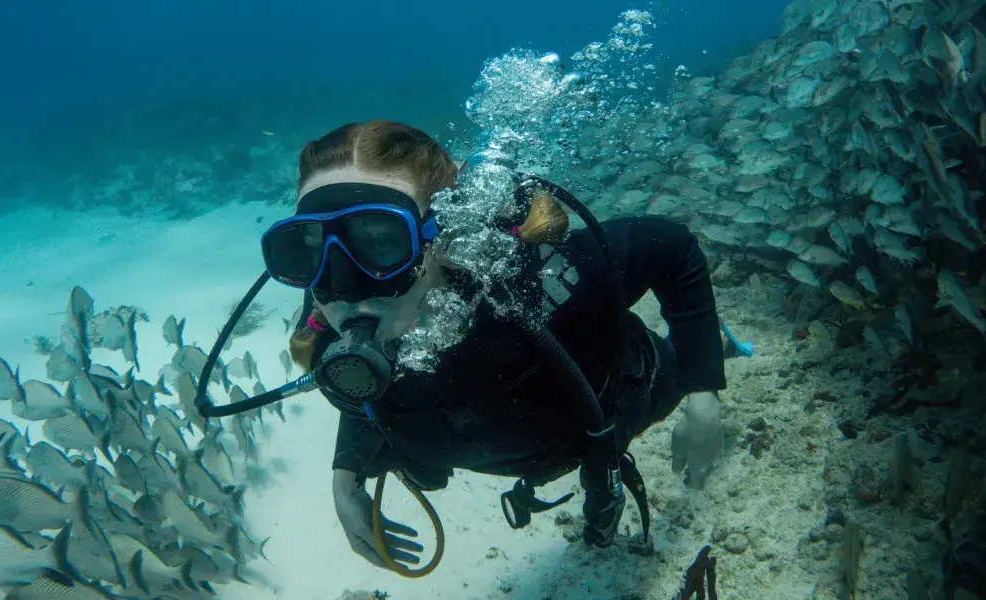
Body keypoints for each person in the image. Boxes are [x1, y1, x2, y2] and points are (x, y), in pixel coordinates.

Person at [269, 120, 727, 569]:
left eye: (381, 241)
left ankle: (725, 346)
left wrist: (702, 390)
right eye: (309, 246)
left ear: (442, 234)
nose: (343, 286)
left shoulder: (534, 284)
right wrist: (346, 475)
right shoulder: (329, 324)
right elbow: (365, 391)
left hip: (632, 393)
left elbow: (673, 247)